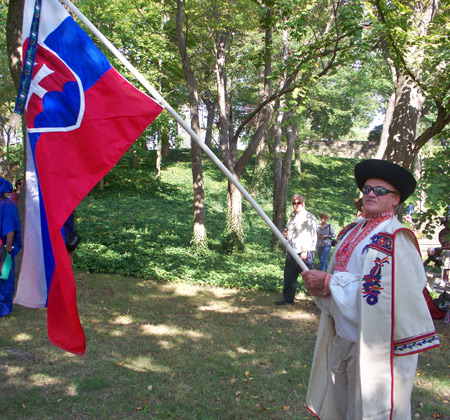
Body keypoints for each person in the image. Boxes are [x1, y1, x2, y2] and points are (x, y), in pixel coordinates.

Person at [302, 159, 440, 419]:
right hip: (342, 337)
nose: (371, 194)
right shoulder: (351, 231)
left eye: (380, 190)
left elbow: (384, 294)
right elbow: (339, 276)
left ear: (395, 199)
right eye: (367, 189)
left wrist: (330, 283)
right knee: (342, 407)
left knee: (369, 409)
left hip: (375, 345)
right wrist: (321, 285)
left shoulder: (396, 237)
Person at [275, 194, 318, 305]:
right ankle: (288, 299)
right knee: (289, 276)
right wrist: (285, 232)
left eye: (298, 203)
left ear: (303, 204)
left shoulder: (309, 217)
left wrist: (305, 251)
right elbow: (289, 229)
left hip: (304, 252)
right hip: (292, 251)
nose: (296, 205)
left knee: (310, 278)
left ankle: (318, 300)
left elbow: (311, 235)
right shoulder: (292, 216)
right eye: (294, 203)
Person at [0, 177, 22, 317]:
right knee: (4, 277)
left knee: (4, 275)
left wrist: (8, 245)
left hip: (2, 248)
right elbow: (10, 227)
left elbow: (9, 228)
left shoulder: (6, 205)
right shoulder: (7, 205)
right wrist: (8, 246)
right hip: (3, 248)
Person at [438, 217, 450, 286]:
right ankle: (443, 280)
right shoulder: (443, 232)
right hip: (446, 250)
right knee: (446, 266)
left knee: (448, 267)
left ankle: (447, 280)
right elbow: (443, 241)